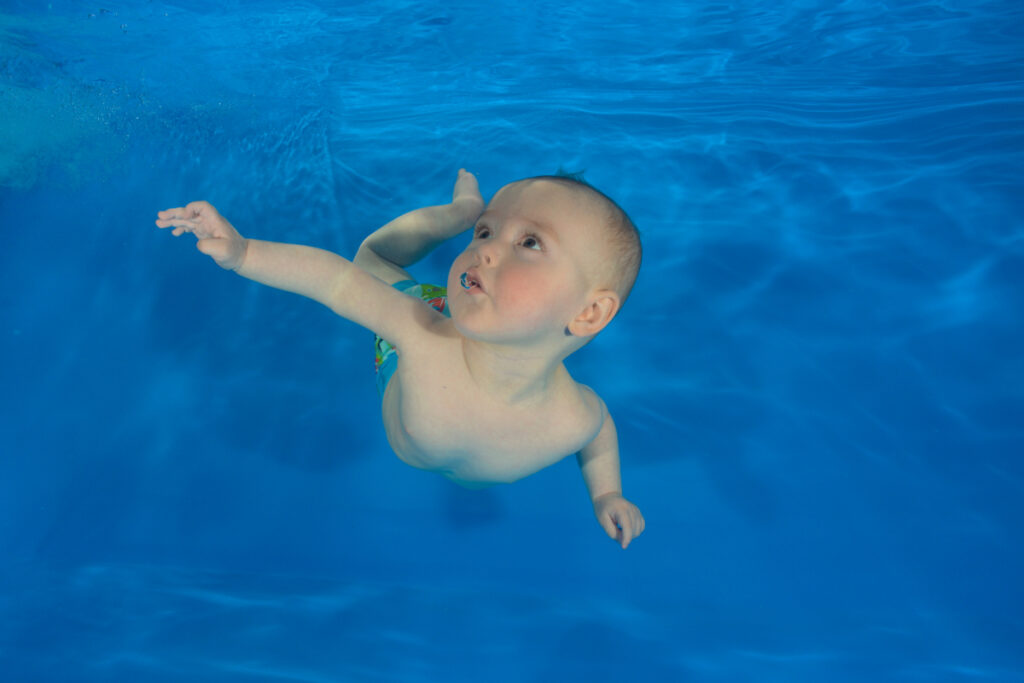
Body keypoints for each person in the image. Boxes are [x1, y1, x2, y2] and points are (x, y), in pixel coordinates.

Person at [156, 170, 646, 548]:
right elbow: (334, 280)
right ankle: (459, 211)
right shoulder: (418, 333)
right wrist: (244, 252)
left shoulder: (575, 416)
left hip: (447, 319)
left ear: (589, 313)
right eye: (483, 231)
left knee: (378, 263)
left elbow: (600, 435)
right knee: (372, 259)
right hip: (416, 327)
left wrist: (607, 493)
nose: (486, 250)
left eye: (530, 242)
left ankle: (463, 210)